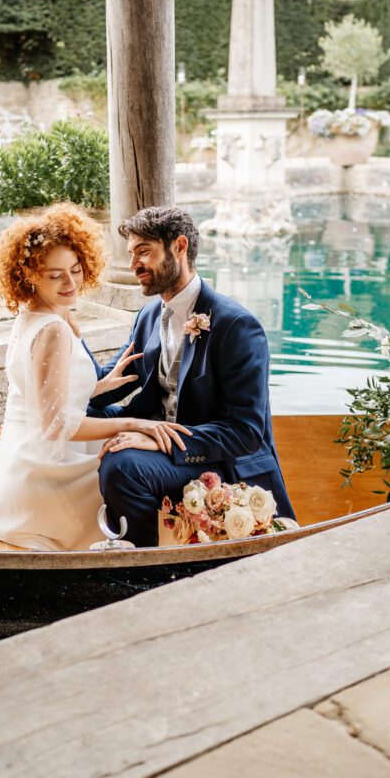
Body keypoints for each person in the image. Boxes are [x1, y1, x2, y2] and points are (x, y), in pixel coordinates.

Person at [0, 203, 191, 552]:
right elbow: (56, 426)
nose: (70, 282)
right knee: (136, 471)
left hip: (23, 458)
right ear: (29, 274)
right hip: (50, 471)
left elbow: (40, 391)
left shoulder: (33, 316)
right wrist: (137, 425)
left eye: (75, 270)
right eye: (55, 275)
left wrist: (99, 385)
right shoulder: (54, 331)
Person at [88, 205, 296, 547]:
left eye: (144, 252)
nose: (133, 264)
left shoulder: (236, 326)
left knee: (122, 465)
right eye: (131, 253)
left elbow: (245, 431)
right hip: (159, 435)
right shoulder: (149, 315)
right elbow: (109, 382)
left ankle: (144, 566)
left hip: (218, 459)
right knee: (81, 416)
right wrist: (64, 327)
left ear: (179, 246)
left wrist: (159, 439)